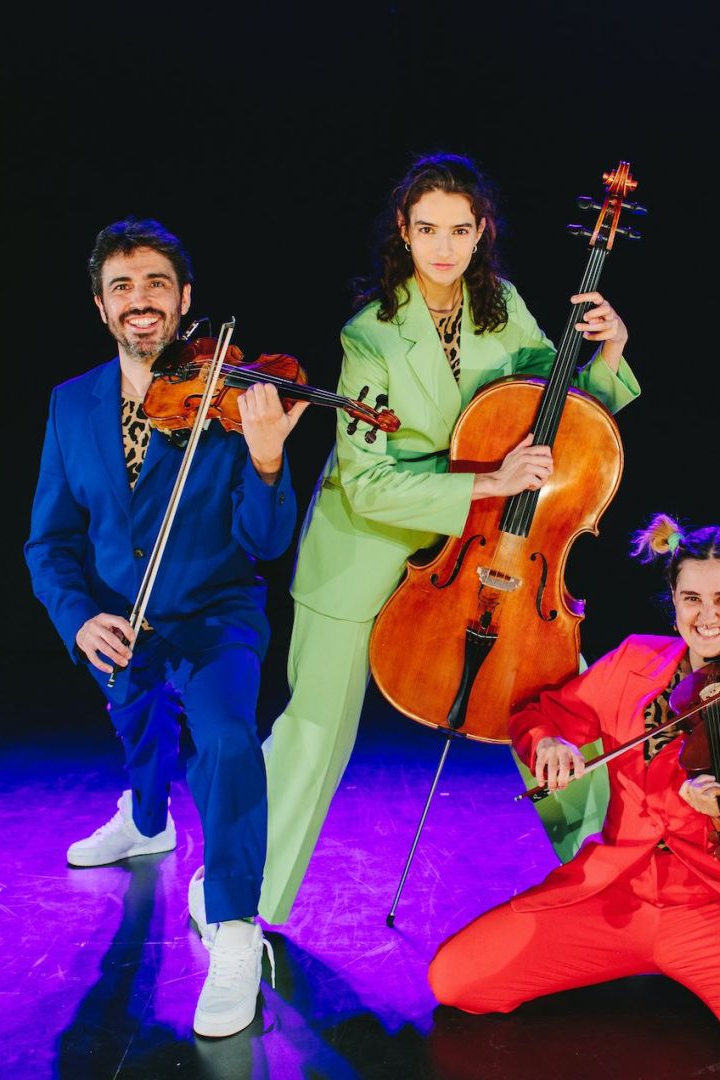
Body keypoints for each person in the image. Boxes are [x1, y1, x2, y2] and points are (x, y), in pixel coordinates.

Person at [257, 153, 641, 925]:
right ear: (403, 231)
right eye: (427, 229)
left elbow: (557, 408)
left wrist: (608, 352)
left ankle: (616, 881)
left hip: (482, 548)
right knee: (314, 733)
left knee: (558, 706)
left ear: (481, 231)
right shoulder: (370, 333)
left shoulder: (502, 305)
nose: (443, 247)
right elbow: (368, 482)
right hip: (366, 540)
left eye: (459, 230)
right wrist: (490, 482)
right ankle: (245, 899)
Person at [427, 510, 720, 1079]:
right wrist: (550, 743)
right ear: (674, 600)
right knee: (456, 980)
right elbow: (543, 714)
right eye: (692, 599)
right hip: (616, 892)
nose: (707, 617)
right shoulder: (633, 662)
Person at [24, 219, 307, 1038]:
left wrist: (266, 461)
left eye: (155, 283)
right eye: (122, 286)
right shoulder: (71, 403)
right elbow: (50, 541)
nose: (139, 300)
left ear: (185, 299)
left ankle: (234, 926)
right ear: (100, 305)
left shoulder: (234, 394)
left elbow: (265, 542)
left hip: (216, 611)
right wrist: (80, 618)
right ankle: (147, 820)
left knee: (224, 741)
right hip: (120, 615)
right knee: (137, 724)